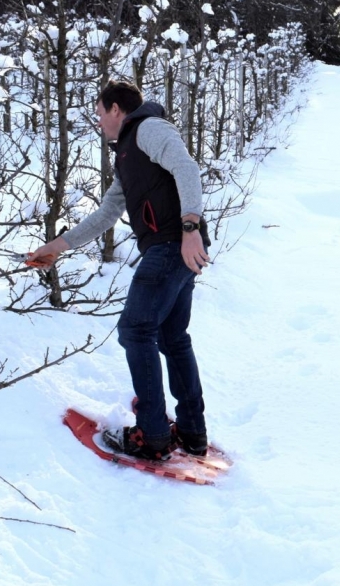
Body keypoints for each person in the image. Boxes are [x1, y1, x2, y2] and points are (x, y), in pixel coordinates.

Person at [27, 79, 211, 460]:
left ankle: (153, 436)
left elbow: (186, 168)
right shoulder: (128, 156)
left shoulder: (148, 129)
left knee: (135, 330)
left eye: (99, 114)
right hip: (174, 248)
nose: (99, 123)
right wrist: (56, 247)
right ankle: (192, 431)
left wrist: (191, 227)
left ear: (115, 109)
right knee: (171, 336)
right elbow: (107, 213)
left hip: (170, 246)